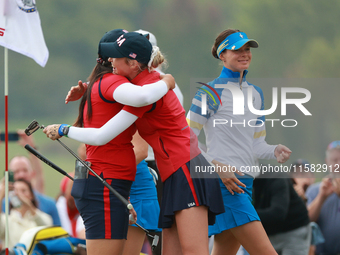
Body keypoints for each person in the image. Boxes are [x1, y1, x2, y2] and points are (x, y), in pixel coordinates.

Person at [44, 31, 224, 255]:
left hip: (186, 167)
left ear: (133, 63)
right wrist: (88, 88)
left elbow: (102, 134)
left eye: (115, 57)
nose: (110, 61)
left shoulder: (145, 92)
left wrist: (63, 129)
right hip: (173, 171)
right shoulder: (141, 84)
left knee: (195, 252)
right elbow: (114, 90)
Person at [186, 29, 291, 255]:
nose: (244, 54)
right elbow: (186, 138)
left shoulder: (256, 94)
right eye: (237, 50)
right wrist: (217, 167)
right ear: (222, 55)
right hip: (226, 185)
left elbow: (256, 145)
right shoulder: (209, 92)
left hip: (245, 184)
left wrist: (274, 150)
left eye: (247, 49)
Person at [253, 170, 311, 255]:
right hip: (270, 233)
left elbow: (278, 213)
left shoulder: (276, 177)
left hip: (294, 230)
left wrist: (244, 215)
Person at [1, 155, 61, 226]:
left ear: (33, 173)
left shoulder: (49, 204)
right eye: (16, 171)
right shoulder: (3, 204)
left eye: (25, 170)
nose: (21, 175)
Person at [306, 140, 340, 255]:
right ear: (327, 162)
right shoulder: (315, 190)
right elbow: (306, 220)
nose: (338, 164)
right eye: (335, 160)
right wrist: (322, 197)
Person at [0, 179, 53, 248]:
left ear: (31, 195)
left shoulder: (43, 217)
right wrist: (1, 196)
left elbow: (47, 231)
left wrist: (29, 205)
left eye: (23, 191)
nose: (19, 194)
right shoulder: (7, 219)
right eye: (15, 191)